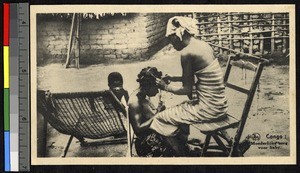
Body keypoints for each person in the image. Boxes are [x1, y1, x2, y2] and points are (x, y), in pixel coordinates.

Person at [149, 16, 229, 155]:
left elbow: (187, 88)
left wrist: (165, 87)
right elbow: (200, 77)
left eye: (170, 38)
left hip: (209, 109)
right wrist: (173, 78)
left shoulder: (187, 53)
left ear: (178, 35)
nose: (171, 43)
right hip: (220, 104)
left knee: (159, 118)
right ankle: (231, 143)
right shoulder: (203, 45)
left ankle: (183, 155)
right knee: (183, 107)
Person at [128, 67, 175, 157]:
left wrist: (158, 110)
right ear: (148, 85)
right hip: (146, 144)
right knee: (174, 132)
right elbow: (138, 129)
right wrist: (158, 113)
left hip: (151, 134)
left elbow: (148, 116)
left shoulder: (142, 95)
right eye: (156, 87)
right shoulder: (135, 102)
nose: (157, 91)